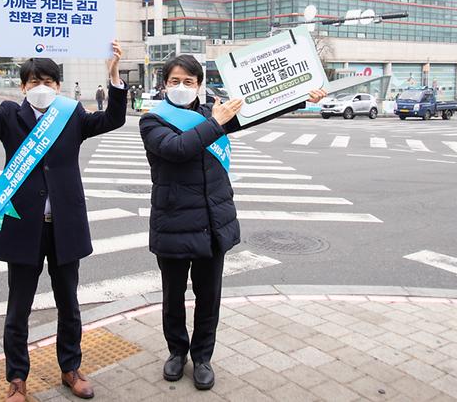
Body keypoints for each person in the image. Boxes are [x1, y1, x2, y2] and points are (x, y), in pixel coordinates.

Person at [139, 54, 326, 391]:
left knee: (209, 296)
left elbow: (259, 111)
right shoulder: (153, 121)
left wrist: (301, 98)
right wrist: (216, 122)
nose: (181, 87)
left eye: (189, 82)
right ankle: (176, 352)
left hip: (213, 220)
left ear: (199, 85)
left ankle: (203, 357)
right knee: (173, 296)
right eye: (174, 81)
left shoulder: (215, 113)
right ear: (164, 84)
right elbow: (178, 149)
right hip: (173, 221)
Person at [0, 27, 127, 402]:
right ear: (23, 87)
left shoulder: (71, 116)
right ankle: (17, 379)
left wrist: (114, 75)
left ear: (58, 85)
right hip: (23, 228)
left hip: (64, 226)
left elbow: (113, 120)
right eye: (35, 81)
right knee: (18, 308)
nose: (43, 86)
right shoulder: (8, 116)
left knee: (69, 303)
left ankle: (71, 368)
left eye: (49, 81)